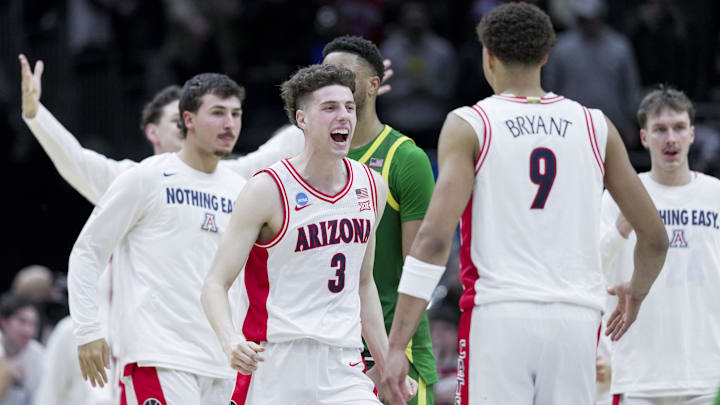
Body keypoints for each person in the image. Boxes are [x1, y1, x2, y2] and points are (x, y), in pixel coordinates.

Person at [380, 3, 669, 405]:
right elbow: (655, 237)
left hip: (499, 316)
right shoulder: (596, 125)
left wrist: (398, 345)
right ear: (546, 56)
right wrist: (635, 293)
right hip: (575, 317)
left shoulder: (470, 124)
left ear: (488, 56)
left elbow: (432, 240)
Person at [201, 63, 412, 404]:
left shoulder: (371, 186)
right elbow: (214, 283)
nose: (343, 116)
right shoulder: (266, 189)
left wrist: (387, 362)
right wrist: (230, 340)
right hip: (276, 360)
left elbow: (362, 282)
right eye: (329, 108)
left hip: (343, 362)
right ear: (302, 119)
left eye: (348, 107)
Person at [67, 72, 246, 404]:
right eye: (218, 112)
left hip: (223, 363)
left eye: (236, 114)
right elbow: (88, 251)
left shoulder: (240, 189)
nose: (230, 124)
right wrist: (88, 330)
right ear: (188, 119)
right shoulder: (146, 177)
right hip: (160, 356)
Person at [601, 86, 720, 405]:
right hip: (639, 371)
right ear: (643, 137)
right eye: (660, 129)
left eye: (679, 128)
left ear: (692, 134)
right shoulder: (621, 195)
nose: (671, 138)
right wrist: (619, 229)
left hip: (706, 370)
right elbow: (592, 265)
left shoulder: (715, 194)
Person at [0, 294, 44, 405]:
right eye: (22, 321)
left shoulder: (39, 356)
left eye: (33, 324)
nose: (29, 331)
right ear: (4, 322)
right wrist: (4, 375)